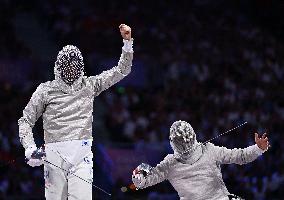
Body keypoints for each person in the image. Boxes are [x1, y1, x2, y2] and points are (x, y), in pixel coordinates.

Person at [18, 24, 133, 200]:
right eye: (68, 66)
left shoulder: (89, 85)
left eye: (74, 66)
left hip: (82, 157)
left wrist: (127, 43)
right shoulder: (45, 90)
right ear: (59, 66)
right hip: (53, 159)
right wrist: (30, 148)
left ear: (80, 67)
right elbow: (25, 120)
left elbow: (122, 70)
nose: (71, 70)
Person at [132, 120, 269, 200]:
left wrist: (138, 175)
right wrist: (258, 149)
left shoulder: (171, 163)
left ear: (172, 143)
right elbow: (241, 156)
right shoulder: (171, 163)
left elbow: (143, 182)